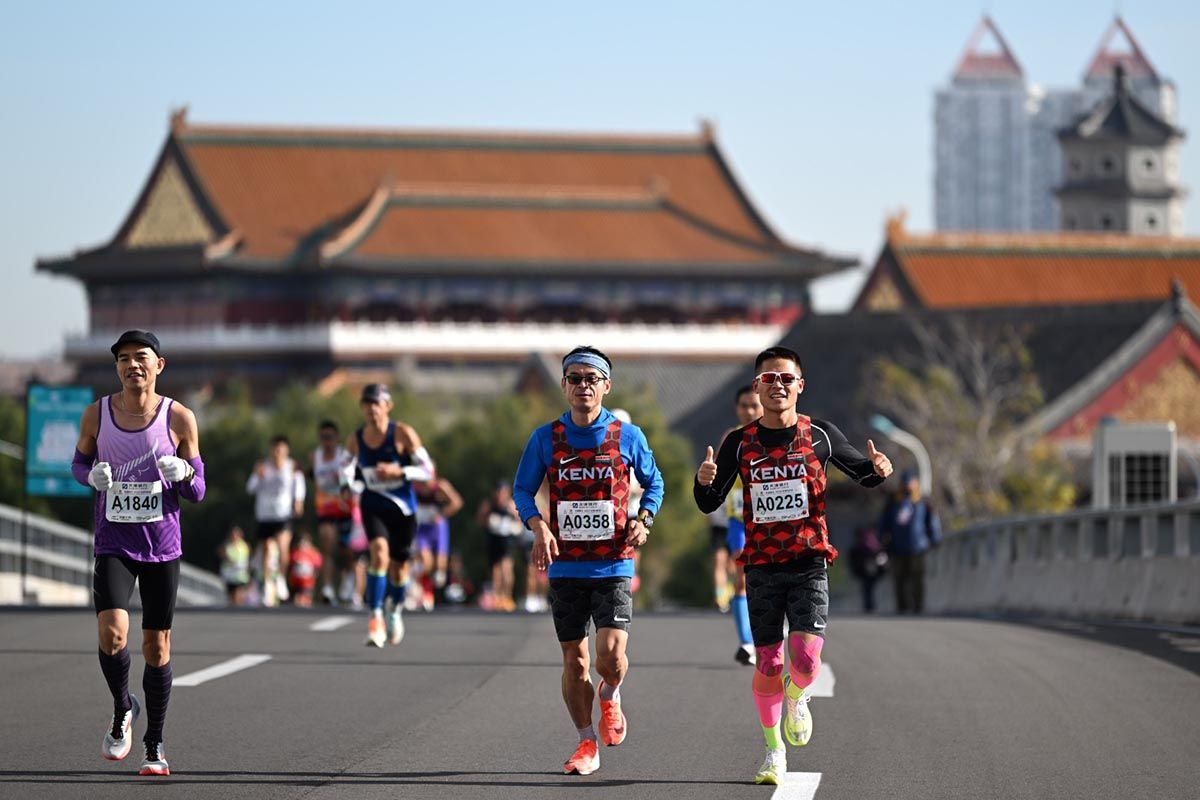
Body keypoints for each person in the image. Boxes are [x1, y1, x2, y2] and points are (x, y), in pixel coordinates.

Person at [694, 346, 892, 785]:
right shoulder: (739, 443)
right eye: (769, 379)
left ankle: (797, 695)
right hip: (761, 566)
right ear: (758, 386)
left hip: (808, 561)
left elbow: (862, 472)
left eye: (786, 379)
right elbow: (708, 501)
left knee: (803, 658)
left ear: (800, 386)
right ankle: (772, 751)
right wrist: (703, 482)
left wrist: (878, 469)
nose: (778, 386)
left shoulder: (819, 435)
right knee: (767, 663)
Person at [514, 346, 664, 776]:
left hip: (614, 561)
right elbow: (522, 490)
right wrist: (538, 525)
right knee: (574, 660)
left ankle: (611, 693)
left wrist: (645, 519)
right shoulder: (545, 438)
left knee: (610, 655)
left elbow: (655, 483)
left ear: (606, 386)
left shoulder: (626, 436)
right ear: (564, 385)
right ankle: (585, 740)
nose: (583, 386)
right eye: (575, 378)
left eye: (591, 378)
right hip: (565, 565)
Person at [72, 330, 206, 777]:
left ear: (158, 365)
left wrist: (185, 471)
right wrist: (90, 476)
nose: (132, 365)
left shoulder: (180, 418)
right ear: (116, 368)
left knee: (156, 646)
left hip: (161, 547)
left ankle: (155, 742)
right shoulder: (97, 414)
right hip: (113, 541)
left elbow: (199, 490)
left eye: (141, 357)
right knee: (112, 634)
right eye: (124, 359)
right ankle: (122, 706)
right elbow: (78, 464)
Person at [346, 383, 434, 647]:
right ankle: (374, 618)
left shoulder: (403, 434)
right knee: (378, 553)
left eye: (376, 403)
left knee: (399, 567)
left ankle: (394, 607)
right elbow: (345, 469)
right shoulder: (356, 438)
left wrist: (400, 472)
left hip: (403, 508)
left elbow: (428, 471)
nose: (372, 409)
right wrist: (345, 486)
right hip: (373, 503)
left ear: (388, 406)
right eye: (367, 404)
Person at [721, 385, 763, 666]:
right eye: (744, 406)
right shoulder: (732, 438)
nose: (749, 411)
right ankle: (747, 642)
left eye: (754, 406)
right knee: (742, 579)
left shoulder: (775, 436)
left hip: (770, 521)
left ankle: (767, 632)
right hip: (739, 520)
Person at [246, 436, 306, 606]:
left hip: (283, 513)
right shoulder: (263, 466)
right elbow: (250, 488)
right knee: (265, 549)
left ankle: (280, 577)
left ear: (287, 450)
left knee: (282, 547)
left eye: (281, 449)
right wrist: (257, 475)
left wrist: (298, 502)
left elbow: (299, 485)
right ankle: (266, 584)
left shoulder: (292, 467)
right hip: (264, 513)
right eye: (274, 448)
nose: (277, 452)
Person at [878, 470, 941, 614]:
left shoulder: (923, 501)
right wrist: (882, 539)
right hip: (897, 546)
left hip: (918, 547)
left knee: (917, 577)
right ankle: (902, 607)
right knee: (899, 578)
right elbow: (884, 522)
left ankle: (918, 606)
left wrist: (935, 538)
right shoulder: (893, 501)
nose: (908, 486)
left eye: (911, 483)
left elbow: (931, 521)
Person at [311, 420, 355, 605]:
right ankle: (327, 587)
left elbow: (353, 479)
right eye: (323, 437)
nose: (326, 441)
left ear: (336, 438)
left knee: (346, 550)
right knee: (326, 544)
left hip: (344, 508)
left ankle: (348, 579)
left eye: (330, 437)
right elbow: (314, 478)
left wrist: (344, 483)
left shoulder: (343, 456)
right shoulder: (316, 456)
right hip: (325, 507)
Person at [413, 477, 463, 610]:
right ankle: (424, 593)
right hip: (422, 528)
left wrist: (441, 514)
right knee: (425, 562)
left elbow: (457, 502)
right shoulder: (415, 487)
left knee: (439, 567)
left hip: (438, 528)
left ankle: (432, 592)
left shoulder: (440, 486)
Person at [477, 482, 523, 612]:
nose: (500, 495)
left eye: (503, 492)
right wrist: (485, 515)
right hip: (493, 540)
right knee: (495, 570)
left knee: (507, 568)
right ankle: (496, 597)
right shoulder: (489, 504)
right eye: (498, 492)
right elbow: (480, 520)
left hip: (507, 541)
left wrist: (512, 513)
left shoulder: (511, 504)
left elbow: (520, 521)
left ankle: (507, 597)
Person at [847, 527, 888, 613]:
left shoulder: (873, 545)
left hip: (873, 570)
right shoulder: (864, 546)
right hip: (866, 571)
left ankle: (870, 606)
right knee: (868, 588)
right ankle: (869, 606)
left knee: (868, 588)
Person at [288, 531, 324, 608]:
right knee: (297, 597)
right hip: (296, 581)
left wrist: (314, 574)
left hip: (308, 582)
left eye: (305, 543)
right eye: (301, 543)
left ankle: (306, 604)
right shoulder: (295, 554)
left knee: (307, 595)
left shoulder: (313, 554)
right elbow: (290, 566)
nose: (303, 545)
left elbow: (317, 567)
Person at [219, 526, 251, 606]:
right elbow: (221, 553)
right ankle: (234, 606)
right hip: (230, 574)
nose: (234, 536)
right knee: (231, 593)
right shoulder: (227, 545)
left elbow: (248, 558)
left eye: (236, 534)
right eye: (233, 534)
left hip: (241, 575)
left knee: (238, 592)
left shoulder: (244, 546)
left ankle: (238, 606)